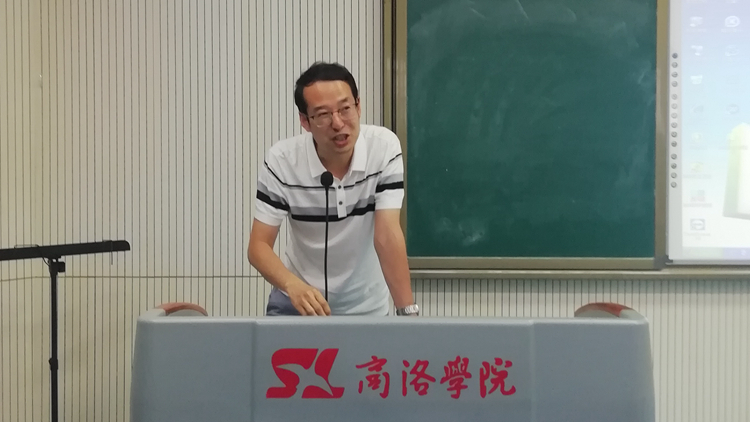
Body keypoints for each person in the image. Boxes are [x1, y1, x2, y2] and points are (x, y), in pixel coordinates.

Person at [247, 61, 419, 317]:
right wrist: (292, 285)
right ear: (305, 121)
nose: (338, 123)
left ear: (358, 107)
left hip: (367, 307)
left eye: (345, 109)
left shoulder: (383, 149)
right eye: (323, 114)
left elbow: (387, 236)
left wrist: (407, 313)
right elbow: (259, 246)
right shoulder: (282, 161)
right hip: (298, 304)